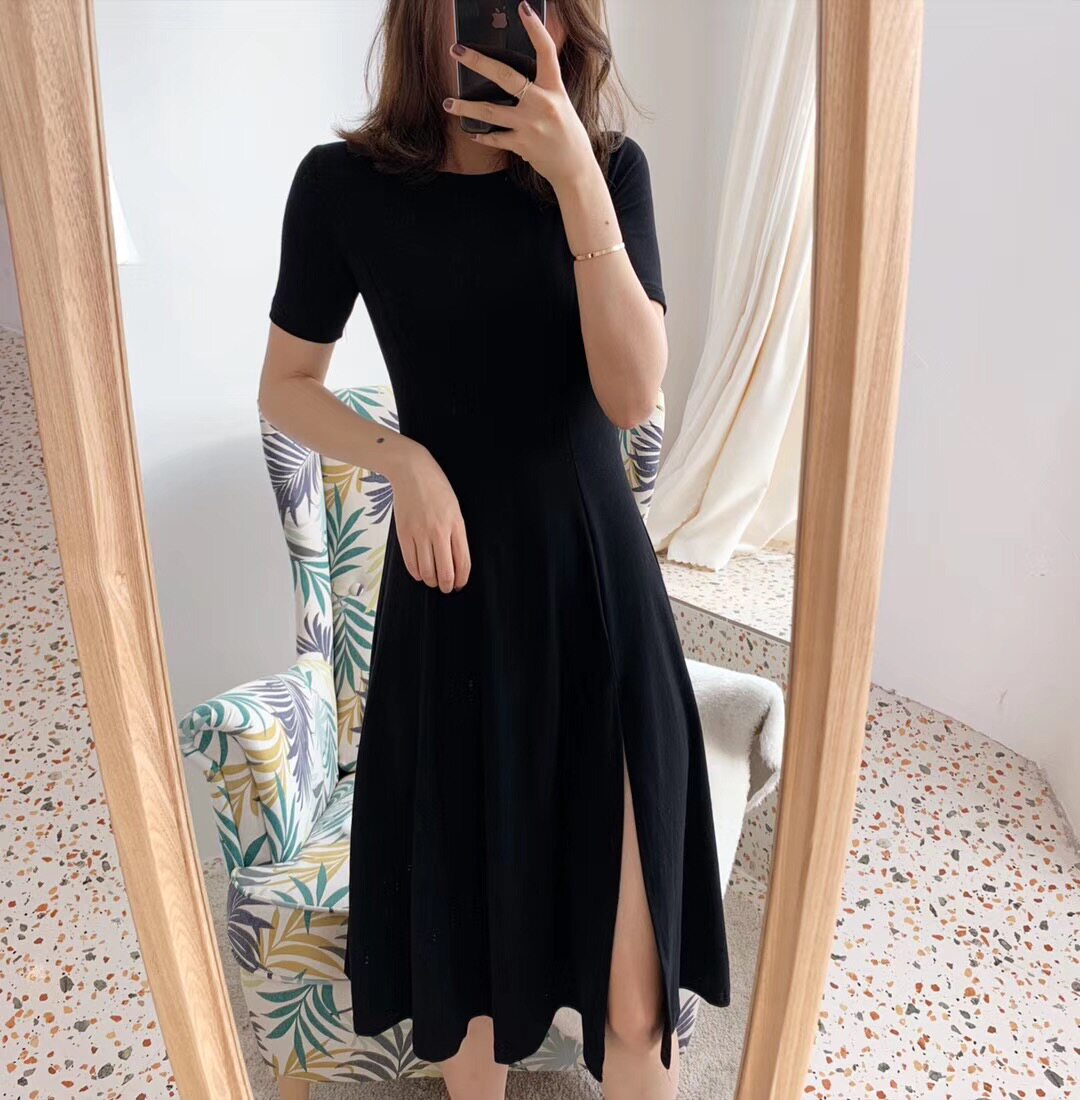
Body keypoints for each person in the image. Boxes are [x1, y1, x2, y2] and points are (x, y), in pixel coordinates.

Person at [258, 3, 729, 1097]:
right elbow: (287, 385)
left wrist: (575, 181)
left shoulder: (611, 169)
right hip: (451, 599)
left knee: (636, 997)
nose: (514, 22)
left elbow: (633, 393)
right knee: (462, 982)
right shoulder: (343, 186)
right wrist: (402, 459)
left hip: (597, 600)